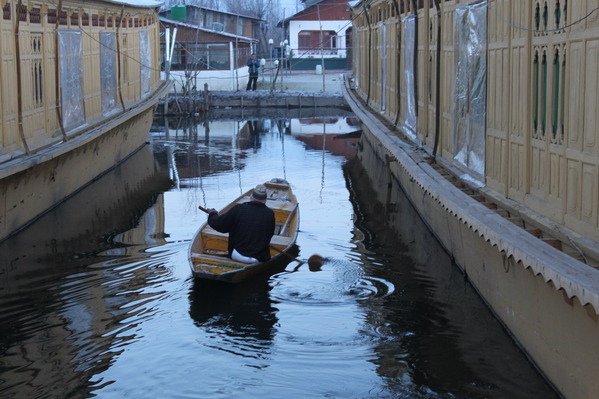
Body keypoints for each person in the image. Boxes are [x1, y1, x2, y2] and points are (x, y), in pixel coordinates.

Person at [206, 185, 275, 263]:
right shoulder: (270, 214)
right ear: (265, 200)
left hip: (237, 255)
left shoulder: (238, 209)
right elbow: (270, 234)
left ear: (251, 197)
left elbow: (219, 225)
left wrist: (212, 214)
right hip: (259, 258)